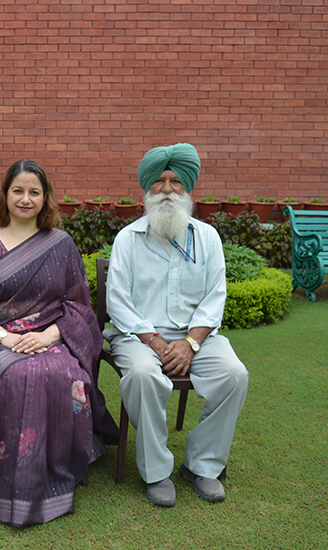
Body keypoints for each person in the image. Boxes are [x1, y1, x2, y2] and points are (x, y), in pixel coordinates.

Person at [0, 160, 118, 527]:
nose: (25, 199)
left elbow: (78, 306)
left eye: (34, 192)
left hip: (48, 332)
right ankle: (8, 478)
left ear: (45, 199)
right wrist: (6, 337)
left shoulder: (60, 243)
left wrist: (47, 336)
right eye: (18, 191)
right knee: (18, 376)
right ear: (5, 194)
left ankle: (56, 470)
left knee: (63, 372)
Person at [104, 143, 249, 507]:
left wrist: (190, 343)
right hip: (138, 337)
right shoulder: (128, 240)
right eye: (159, 181)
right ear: (146, 189)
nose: (167, 189)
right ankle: (157, 472)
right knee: (142, 375)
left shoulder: (207, 238)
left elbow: (215, 297)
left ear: (188, 188)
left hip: (196, 338)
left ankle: (202, 465)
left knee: (234, 374)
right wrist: (155, 342)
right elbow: (118, 302)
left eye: (175, 182)